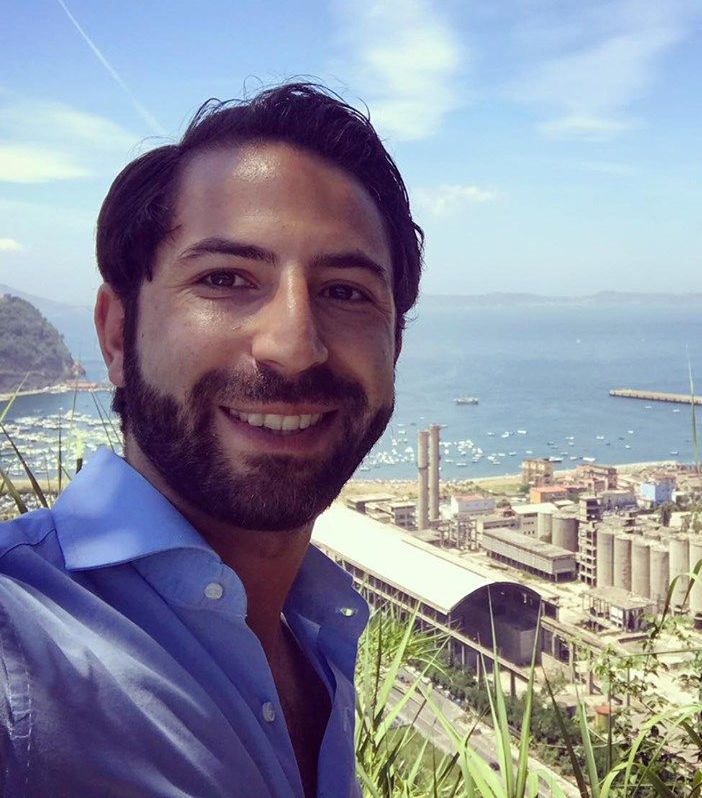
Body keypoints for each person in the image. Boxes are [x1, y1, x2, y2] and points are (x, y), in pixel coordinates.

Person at [0, 82, 423, 797]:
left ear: (395, 345)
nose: (294, 345)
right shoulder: (24, 649)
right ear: (117, 334)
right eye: (226, 279)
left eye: (347, 291)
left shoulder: (315, 637)